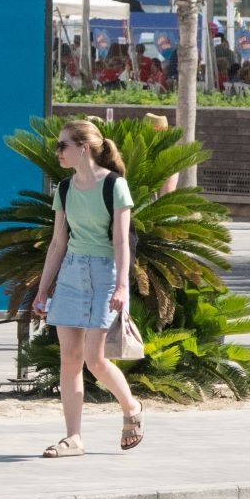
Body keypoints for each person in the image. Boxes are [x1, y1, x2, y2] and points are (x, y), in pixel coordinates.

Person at [28, 119, 146, 458]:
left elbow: (122, 240)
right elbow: (57, 243)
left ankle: (132, 408)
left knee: (95, 359)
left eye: (63, 145)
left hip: (105, 272)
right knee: (70, 359)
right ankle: (73, 438)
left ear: (83, 148)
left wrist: (122, 285)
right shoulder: (63, 189)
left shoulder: (115, 186)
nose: (57, 152)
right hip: (71, 272)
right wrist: (42, 288)